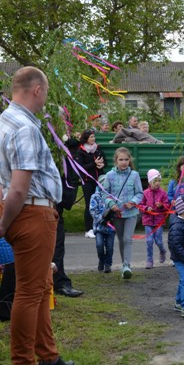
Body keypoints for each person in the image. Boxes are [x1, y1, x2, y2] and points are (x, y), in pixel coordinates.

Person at [0, 66, 75, 364]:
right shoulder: (25, 127)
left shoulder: (5, 122)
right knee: (30, 292)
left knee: (42, 286)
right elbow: (19, 187)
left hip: (21, 209)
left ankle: (48, 356)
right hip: (31, 211)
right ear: (37, 90)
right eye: (45, 92)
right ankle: (23, 360)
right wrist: (3, 225)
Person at [103, 147, 144, 279]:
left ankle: (127, 265)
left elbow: (140, 193)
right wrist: (112, 205)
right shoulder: (109, 175)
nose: (124, 162)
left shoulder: (134, 175)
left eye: (126, 159)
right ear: (116, 160)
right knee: (121, 240)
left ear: (130, 160)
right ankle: (123, 265)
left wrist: (132, 202)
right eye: (121, 159)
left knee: (127, 239)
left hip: (131, 213)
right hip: (117, 214)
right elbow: (105, 194)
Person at [53, 137, 84, 298]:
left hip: (54, 206)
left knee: (57, 244)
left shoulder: (62, 151)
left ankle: (59, 281)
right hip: (38, 203)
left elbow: (69, 177)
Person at [75, 129, 106, 238]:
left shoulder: (98, 149)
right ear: (86, 139)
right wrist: (94, 163)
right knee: (89, 204)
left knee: (100, 204)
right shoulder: (80, 151)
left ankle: (99, 226)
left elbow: (104, 160)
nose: (94, 139)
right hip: (87, 181)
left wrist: (102, 165)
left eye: (94, 137)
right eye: (91, 137)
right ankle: (88, 229)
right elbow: (80, 168)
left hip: (99, 181)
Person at [140, 169, 169, 269]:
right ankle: (149, 260)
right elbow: (140, 205)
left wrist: (161, 206)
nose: (157, 183)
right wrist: (146, 208)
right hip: (147, 221)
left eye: (159, 181)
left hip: (159, 221)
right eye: (155, 181)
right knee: (149, 241)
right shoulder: (145, 193)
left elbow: (167, 206)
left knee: (159, 241)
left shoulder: (163, 193)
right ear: (150, 182)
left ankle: (162, 251)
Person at [89, 175, 116, 273]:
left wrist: (112, 219)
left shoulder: (113, 196)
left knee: (109, 247)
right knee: (99, 245)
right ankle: (101, 260)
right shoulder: (95, 196)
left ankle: (108, 264)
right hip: (99, 227)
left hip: (111, 228)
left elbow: (116, 209)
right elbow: (92, 210)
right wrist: (101, 219)